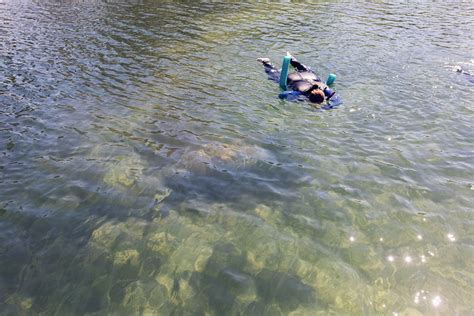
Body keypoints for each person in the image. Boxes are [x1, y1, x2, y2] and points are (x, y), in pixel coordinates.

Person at [257, 55, 341, 107]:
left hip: (309, 75)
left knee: (305, 70)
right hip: (292, 78)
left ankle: (292, 59)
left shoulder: (325, 89)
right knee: (274, 76)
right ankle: (266, 62)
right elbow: (282, 94)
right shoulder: (300, 93)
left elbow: (338, 100)